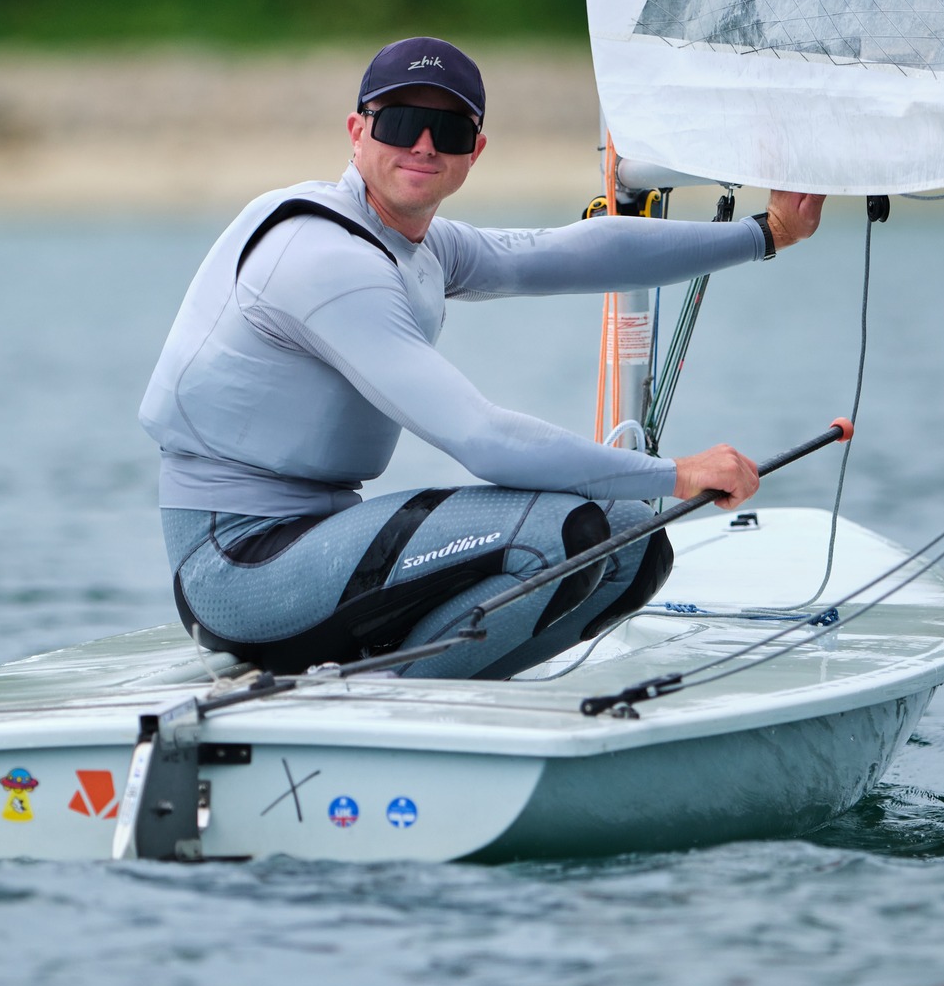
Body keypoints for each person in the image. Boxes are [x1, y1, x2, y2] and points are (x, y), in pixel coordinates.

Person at [140, 37, 824, 680]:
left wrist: (765, 233)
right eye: (400, 122)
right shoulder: (323, 259)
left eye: (450, 130)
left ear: (476, 151)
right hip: (235, 570)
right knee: (568, 532)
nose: (424, 144)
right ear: (357, 132)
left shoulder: (418, 243)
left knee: (632, 542)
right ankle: (392, 709)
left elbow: (569, 252)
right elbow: (484, 439)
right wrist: (674, 473)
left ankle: (431, 695)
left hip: (319, 540)